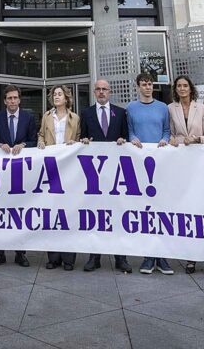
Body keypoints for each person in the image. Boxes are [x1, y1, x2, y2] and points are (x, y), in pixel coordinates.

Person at [79, 78, 132, 275]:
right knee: (96, 215)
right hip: (94, 174)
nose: (101, 92)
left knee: (117, 214)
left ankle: (121, 258)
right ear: (94, 92)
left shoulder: (120, 112)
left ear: (110, 92)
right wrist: (84, 140)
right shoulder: (87, 113)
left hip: (116, 173)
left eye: (105, 89)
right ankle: (95, 257)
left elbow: (126, 137)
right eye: (98, 89)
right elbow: (82, 137)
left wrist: (123, 140)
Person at [168, 74, 204, 275]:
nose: (182, 88)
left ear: (190, 88)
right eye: (179, 86)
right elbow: (171, 135)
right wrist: (177, 141)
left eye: (185, 85)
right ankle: (190, 258)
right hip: (182, 165)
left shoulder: (201, 108)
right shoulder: (171, 108)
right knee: (187, 209)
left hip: (200, 163)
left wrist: (196, 139)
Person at [127, 72, 173, 275]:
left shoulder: (163, 107)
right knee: (144, 210)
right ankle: (148, 256)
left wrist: (164, 140)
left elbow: (167, 130)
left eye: (150, 84)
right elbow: (129, 131)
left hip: (160, 162)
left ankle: (161, 256)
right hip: (139, 163)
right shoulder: (131, 108)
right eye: (144, 84)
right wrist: (132, 138)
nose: (148, 87)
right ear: (138, 86)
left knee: (161, 208)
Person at [0, 85, 38, 268]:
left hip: (21, 173)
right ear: (4, 101)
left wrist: (23, 145)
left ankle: (20, 253)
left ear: (19, 100)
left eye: (15, 98)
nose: (13, 101)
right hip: (0, 174)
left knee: (20, 212)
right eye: (9, 98)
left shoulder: (28, 117)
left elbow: (34, 141)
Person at [37, 84, 80, 270]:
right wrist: (40, 142)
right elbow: (41, 135)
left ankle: (69, 258)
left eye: (60, 94)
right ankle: (53, 257)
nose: (56, 96)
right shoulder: (47, 117)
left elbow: (80, 139)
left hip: (69, 168)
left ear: (66, 98)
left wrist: (74, 143)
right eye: (54, 94)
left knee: (69, 212)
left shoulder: (75, 118)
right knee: (52, 211)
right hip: (51, 168)